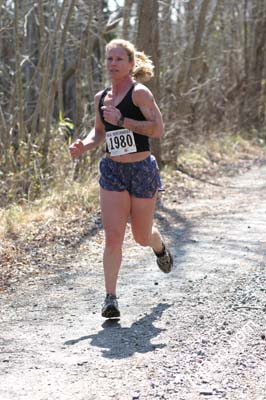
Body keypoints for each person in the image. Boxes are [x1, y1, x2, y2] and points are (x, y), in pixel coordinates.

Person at [69, 39, 173, 319]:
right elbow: (99, 133)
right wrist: (84, 145)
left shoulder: (140, 94)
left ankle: (159, 246)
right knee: (113, 237)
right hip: (113, 170)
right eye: (109, 59)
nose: (112, 64)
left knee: (141, 236)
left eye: (118, 59)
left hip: (141, 169)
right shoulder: (101, 98)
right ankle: (110, 299)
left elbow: (158, 129)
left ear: (130, 64)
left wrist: (124, 120)